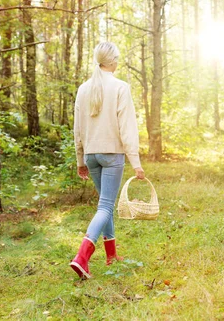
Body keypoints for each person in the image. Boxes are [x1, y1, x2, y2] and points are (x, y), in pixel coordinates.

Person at [70, 41, 145, 280]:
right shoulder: (121, 87)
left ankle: (111, 255)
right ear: (111, 61)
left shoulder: (83, 89)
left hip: (92, 155)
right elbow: (127, 127)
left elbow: (78, 129)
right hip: (112, 155)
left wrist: (80, 159)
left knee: (106, 204)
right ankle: (82, 257)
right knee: (105, 206)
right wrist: (136, 161)